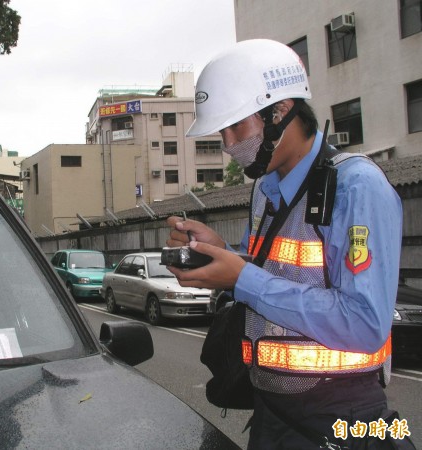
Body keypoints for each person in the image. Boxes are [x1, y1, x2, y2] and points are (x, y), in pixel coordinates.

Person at [166, 39, 408, 449]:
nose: (227, 144)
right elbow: (282, 275)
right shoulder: (264, 190)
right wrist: (223, 252)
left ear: (279, 112)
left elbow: (366, 324)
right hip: (271, 413)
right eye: (222, 131)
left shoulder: (356, 188)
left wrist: (241, 277)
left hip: (344, 417)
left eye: (236, 126)